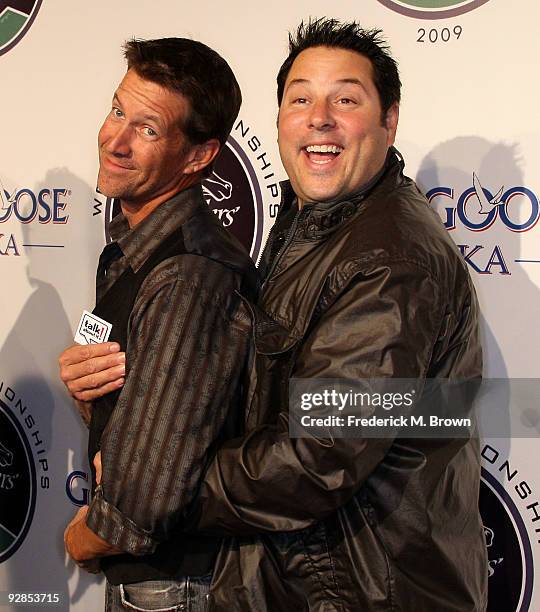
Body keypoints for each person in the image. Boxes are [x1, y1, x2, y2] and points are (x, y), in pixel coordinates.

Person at [60, 19, 488, 611]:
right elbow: (254, 393)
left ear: (390, 119)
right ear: (280, 118)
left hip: (363, 591)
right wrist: (116, 399)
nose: (319, 117)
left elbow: (319, 454)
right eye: (301, 99)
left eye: (345, 98)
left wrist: (155, 477)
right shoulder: (314, 228)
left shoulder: (391, 260)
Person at [60, 37, 257, 611]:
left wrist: (79, 540)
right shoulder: (134, 253)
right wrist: (92, 395)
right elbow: (160, 418)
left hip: (172, 587)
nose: (115, 141)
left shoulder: (189, 275)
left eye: (147, 129)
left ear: (197, 157)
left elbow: (145, 498)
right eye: (118, 111)